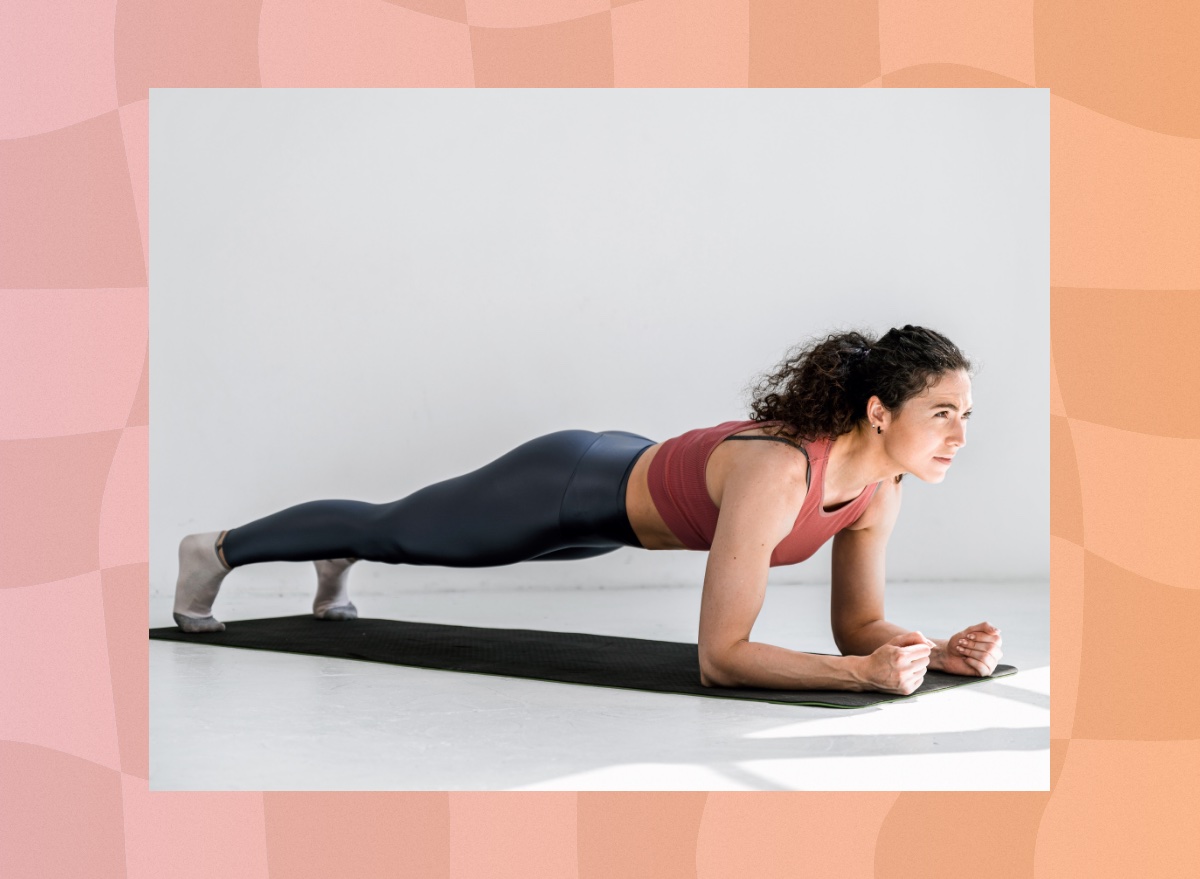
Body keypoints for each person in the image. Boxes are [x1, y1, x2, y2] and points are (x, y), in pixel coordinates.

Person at [172, 324, 1003, 695]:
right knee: (399, 528)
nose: (960, 435)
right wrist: (857, 677)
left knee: (399, 534)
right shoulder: (781, 472)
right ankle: (216, 549)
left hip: (610, 525)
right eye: (943, 414)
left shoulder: (877, 488)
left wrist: (927, 649)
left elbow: (859, 626)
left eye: (968, 415)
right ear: (878, 412)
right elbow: (721, 657)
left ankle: (341, 554)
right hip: (567, 486)